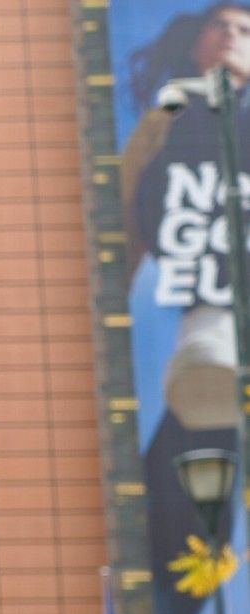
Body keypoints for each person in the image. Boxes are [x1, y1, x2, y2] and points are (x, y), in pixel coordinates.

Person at [122, 3, 250, 428]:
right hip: (203, 322)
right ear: (197, 44)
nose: (231, 36)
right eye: (220, 26)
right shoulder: (165, 121)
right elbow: (124, 213)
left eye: (244, 30)